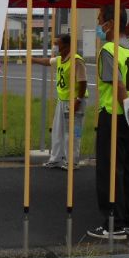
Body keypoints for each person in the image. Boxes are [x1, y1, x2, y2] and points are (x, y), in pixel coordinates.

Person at [88, 5, 129, 240]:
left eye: (100, 19)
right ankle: (128, 219)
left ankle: (113, 223)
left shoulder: (109, 50)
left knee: (110, 170)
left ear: (109, 23)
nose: (98, 24)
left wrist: (126, 106)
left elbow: (117, 85)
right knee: (128, 168)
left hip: (115, 113)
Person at [33, 33, 87, 169]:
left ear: (67, 46)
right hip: (62, 100)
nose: (56, 47)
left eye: (58, 45)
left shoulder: (76, 61)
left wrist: (78, 100)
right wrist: (33, 59)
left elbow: (83, 82)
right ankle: (56, 159)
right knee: (58, 130)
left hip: (75, 101)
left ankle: (72, 161)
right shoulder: (60, 59)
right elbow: (47, 61)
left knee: (72, 133)